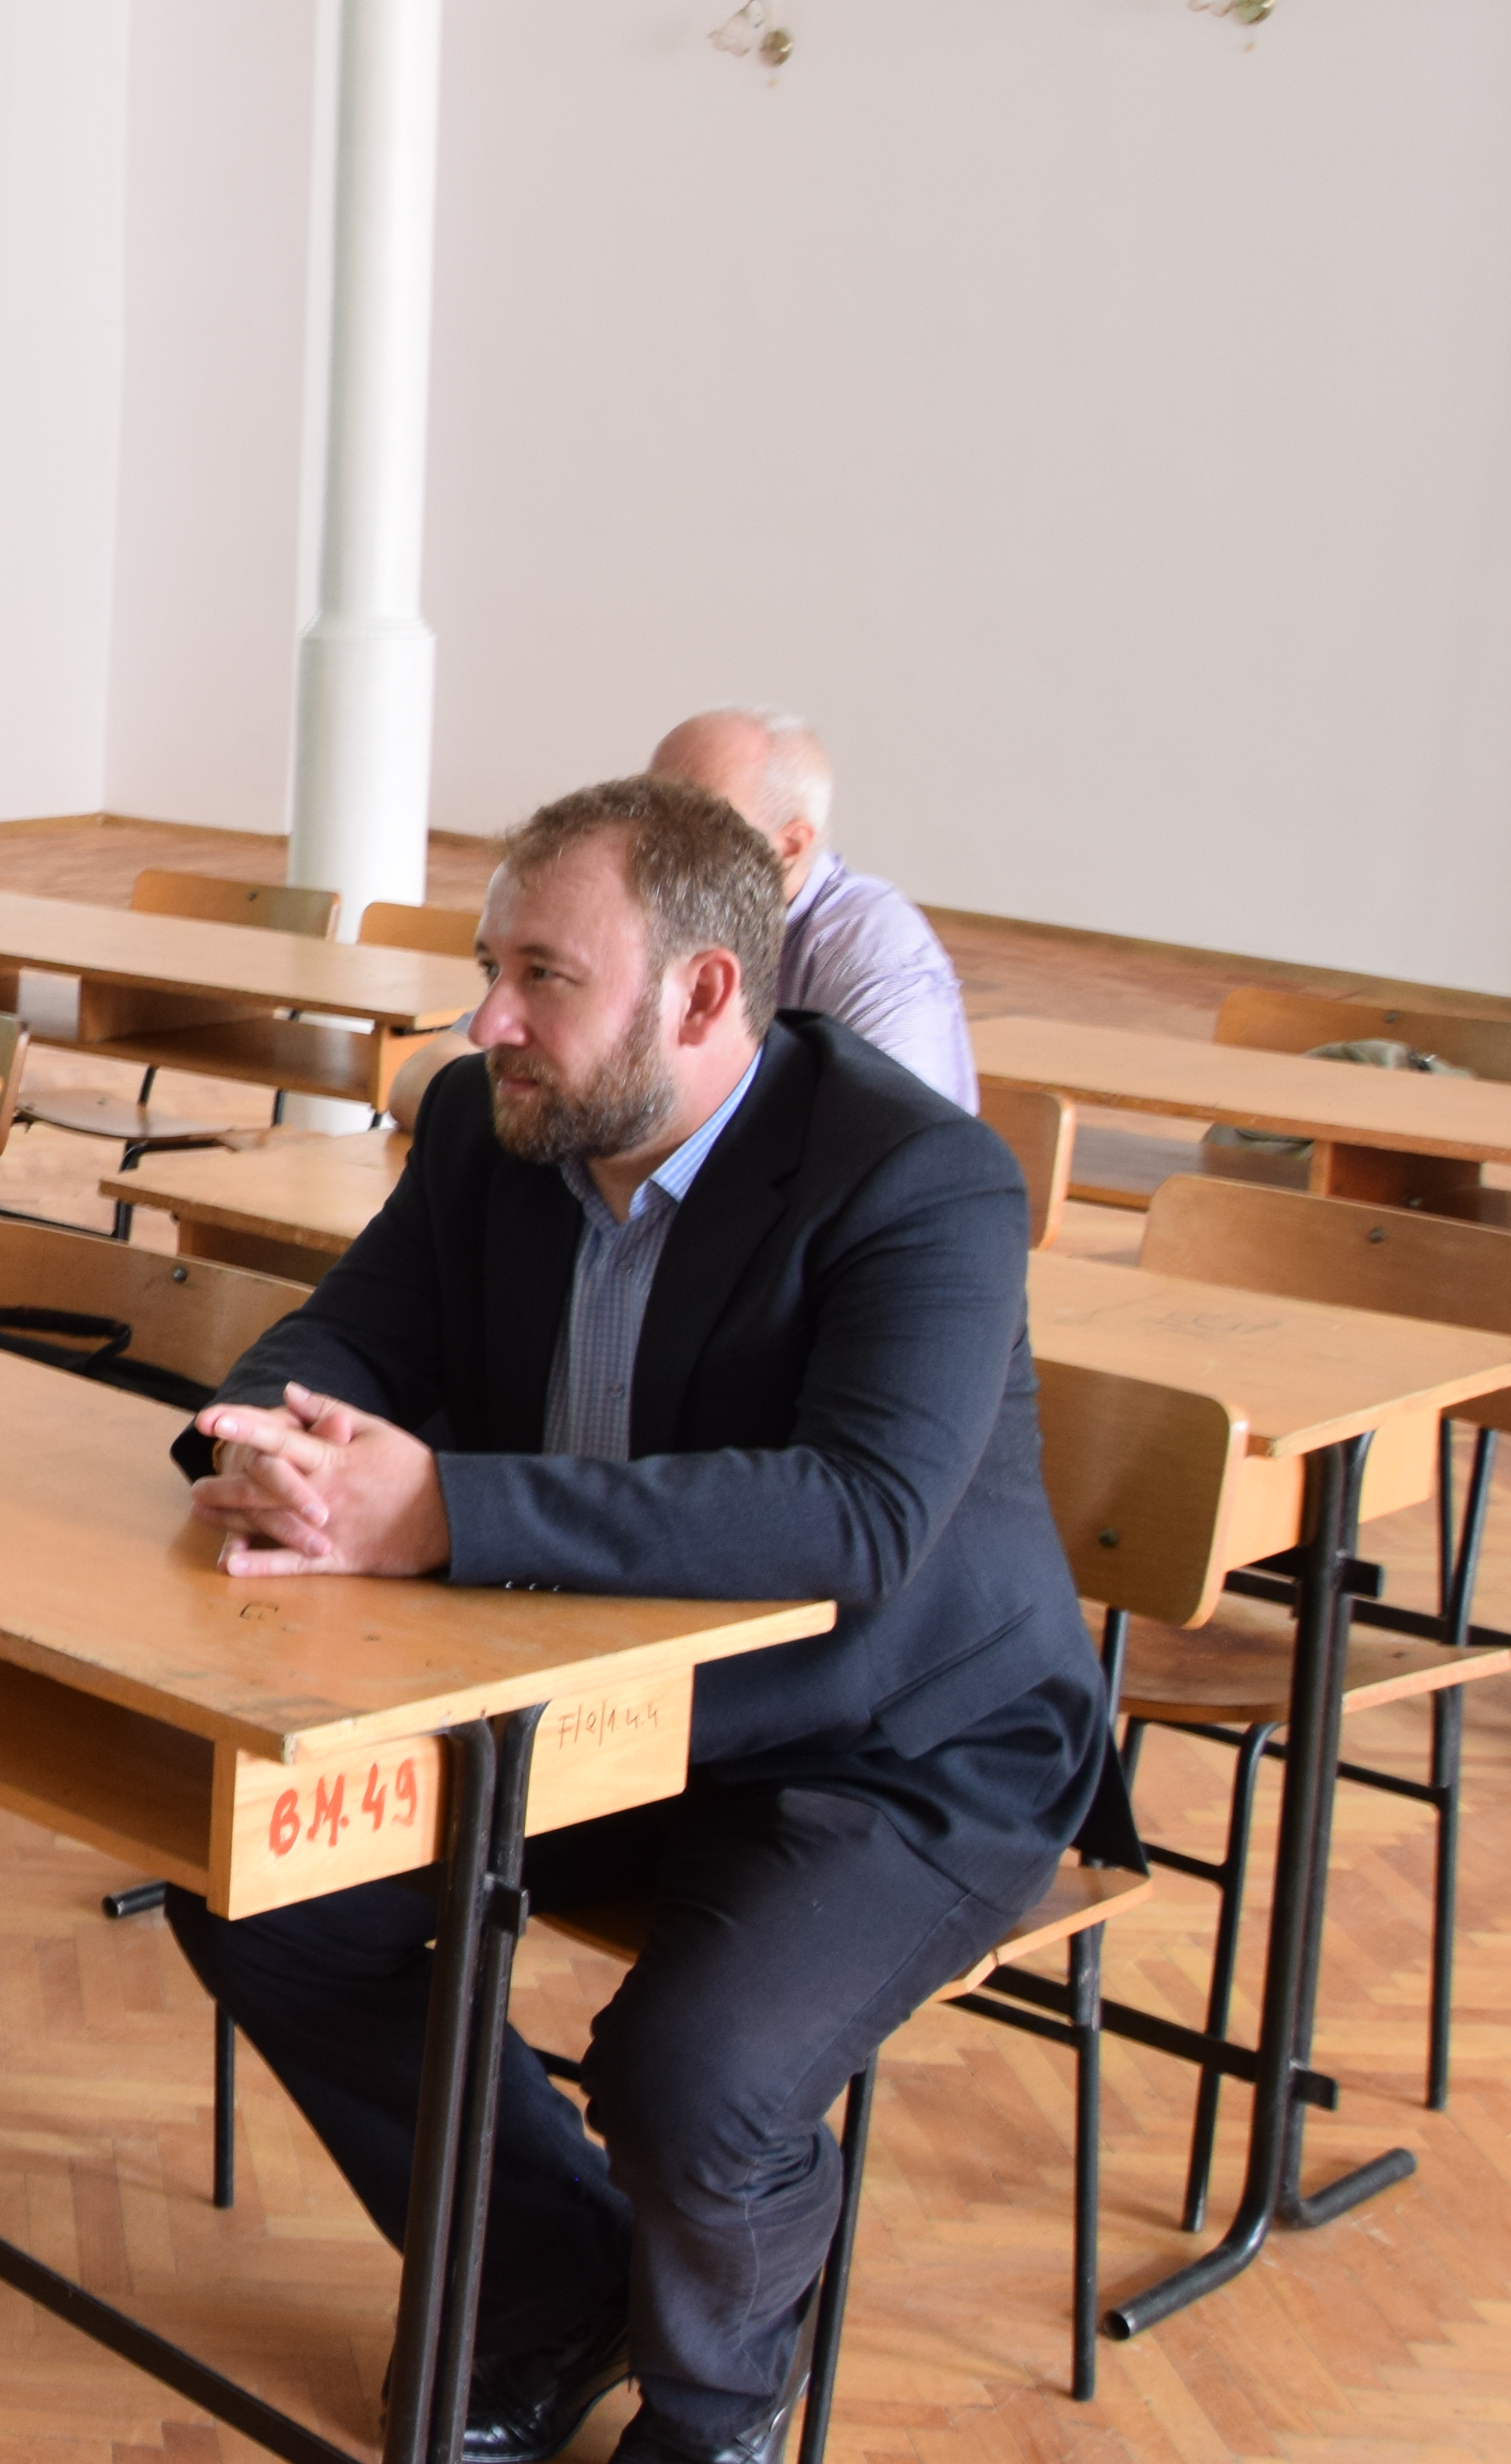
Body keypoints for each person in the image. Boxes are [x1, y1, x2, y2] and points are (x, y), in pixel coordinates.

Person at [162, 777, 1103, 2464]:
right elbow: (349, 1334)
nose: (486, 1017)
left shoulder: (920, 1178)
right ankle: (553, 2273)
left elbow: (860, 1517)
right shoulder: (489, 1121)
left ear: (704, 993)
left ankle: (715, 2402)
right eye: (484, 963)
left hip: (890, 1738)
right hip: (595, 1698)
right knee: (259, 1888)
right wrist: (264, 1449)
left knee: (691, 2073)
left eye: (542, 973)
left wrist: (446, 1509)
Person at [646, 707, 973, 1111]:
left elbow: (901, 1140)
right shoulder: (647, 911)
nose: (656, 842)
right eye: (649, 807)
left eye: (701, 822)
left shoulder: (873, 944)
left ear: (790, 847)